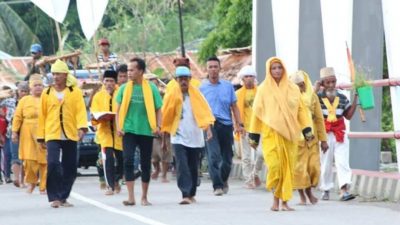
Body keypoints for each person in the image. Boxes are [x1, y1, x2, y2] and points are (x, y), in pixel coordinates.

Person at [248, 57, 313, 211]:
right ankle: (276, 199)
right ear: (268, 70)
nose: (277, 71)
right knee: (275, 167)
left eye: (279, 68)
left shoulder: (293, 89)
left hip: (290, 135)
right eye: (273, 68)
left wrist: (307, 129)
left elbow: (301, 111)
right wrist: (254, 135)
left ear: (284, 69)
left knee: (287, 169)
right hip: (271, 134)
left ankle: (282, 202)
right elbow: (257, 112)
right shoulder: (263, 89)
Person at [37, 59, 88, 208]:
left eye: (58, 73)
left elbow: (80, 111)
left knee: (70, 166)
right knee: (52, 163)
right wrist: (41, 137)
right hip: (52, 133)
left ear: (66, 75)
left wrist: (82, 128)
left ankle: (64, 196)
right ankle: (54, 197)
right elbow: (42, 115)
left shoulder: (74, 92)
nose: (56, 77)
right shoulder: (46, 93)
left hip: (70, 132)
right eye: (53, 74)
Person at [161, 66, 214, 204]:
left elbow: (205, 114)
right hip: (178, 136)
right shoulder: (171, 95)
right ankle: (185, 194)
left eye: (186, 79)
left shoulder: (197, 95)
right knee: (181, 165)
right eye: (180, 79)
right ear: (176, 80)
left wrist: (208, 130)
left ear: (190, 79)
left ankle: (191, 193)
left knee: (193, 165)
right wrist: (164, 138)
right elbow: (166, 116)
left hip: (195, 136)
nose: (183, 81)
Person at [116, 57, 162, 206]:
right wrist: (118, 126)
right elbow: (117, 110)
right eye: (128, 70)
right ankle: (131, 197)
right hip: (128, 130)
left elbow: (158, 109)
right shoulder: (123, 88)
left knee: (145, 163)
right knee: (128, 160)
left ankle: (144, 196)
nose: (128, 73)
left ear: (140, 71)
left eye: (132, 70)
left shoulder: (151, 88)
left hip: (146, 130)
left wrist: (158, 126)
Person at [199, 56, 244, 196]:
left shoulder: (228, 86)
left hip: (226, 124)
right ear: (207, 70)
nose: (213, 69)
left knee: (227, 158)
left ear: (220, 68)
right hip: (209, 125)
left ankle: (223, 179)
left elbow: (234, 106)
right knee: (213, 156)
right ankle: (217, 185)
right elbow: (198, 108)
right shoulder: (201, 88)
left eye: (215, 67)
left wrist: (239, 124)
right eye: (210, 67)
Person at [316, 67, 357, 201]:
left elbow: (348, 116)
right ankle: (325, 189)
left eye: (333, 82)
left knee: (342, 161)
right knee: (326, 162)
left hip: (340, 132)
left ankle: (344, 190)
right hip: (325, 134)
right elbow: (307, 105)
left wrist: (356, 99)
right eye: (327, 83)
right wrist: (315, 88)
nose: (331, 85)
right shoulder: (317, 98)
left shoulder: (342, 97)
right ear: (322, 84)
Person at [289, 71, 328, 205]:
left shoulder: (313, 97)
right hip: (296, 140)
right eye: (297, 86)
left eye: (302, 85)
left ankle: (309, 192)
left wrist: (324, 140)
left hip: (312, 139)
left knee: (313, 167)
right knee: (300, 170)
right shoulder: (289, 99)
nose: (301, 88)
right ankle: (305, 197)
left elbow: (319, 119)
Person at [12, 74, 47, 194]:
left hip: (43, 131)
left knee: (44, 160)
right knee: (29, 161)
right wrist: (14, 132)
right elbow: (17, 117)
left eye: (40, 85)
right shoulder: (24, 100)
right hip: (27, 131)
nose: (38, 87)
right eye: (35, 85)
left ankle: (43, 186)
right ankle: (31, 182)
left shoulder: (46, 98)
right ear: (30, 88)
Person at [91, 70, 123, 195]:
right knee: (107, 159)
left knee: (122, 160)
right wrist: (99, 118)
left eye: (111, 81)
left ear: (116, 82)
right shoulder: (98, 96)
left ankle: (117, 180)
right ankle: (110, 186)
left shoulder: (121, 93)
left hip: (119, 132)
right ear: (103, 82)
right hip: (104, 132)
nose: (109, 84)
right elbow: (94, 113)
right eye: (107, 81)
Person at [235, 65, 264, 189]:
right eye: (246, 76)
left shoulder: (261, 92)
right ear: (242, 78)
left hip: (260, 128)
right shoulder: (237, 94)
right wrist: (237, 125)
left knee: (262, 154)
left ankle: (255, 174)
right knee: (246, 157)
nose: (249, 79)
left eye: (251, 76)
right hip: (245, 128)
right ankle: (248, 180)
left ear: (254, 77)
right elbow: (234, 111)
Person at [0, 82, 30, 187]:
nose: (24, 93)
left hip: (28, 132)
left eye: (26, 91)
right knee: (14, 156)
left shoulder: (31, 102)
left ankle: (24, 180)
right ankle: (17, 179)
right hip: (12, 132)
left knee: (26, 157)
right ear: (18, 91)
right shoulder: (10, 101)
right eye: (22, 91)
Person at [144, 73, 171, 183]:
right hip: (150, 129)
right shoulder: (144, 97)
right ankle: (157, 169)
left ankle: (164, 174)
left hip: (165, 127)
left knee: (165, 153)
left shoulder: (163, 95)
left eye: (154, 82)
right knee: (153, 155)